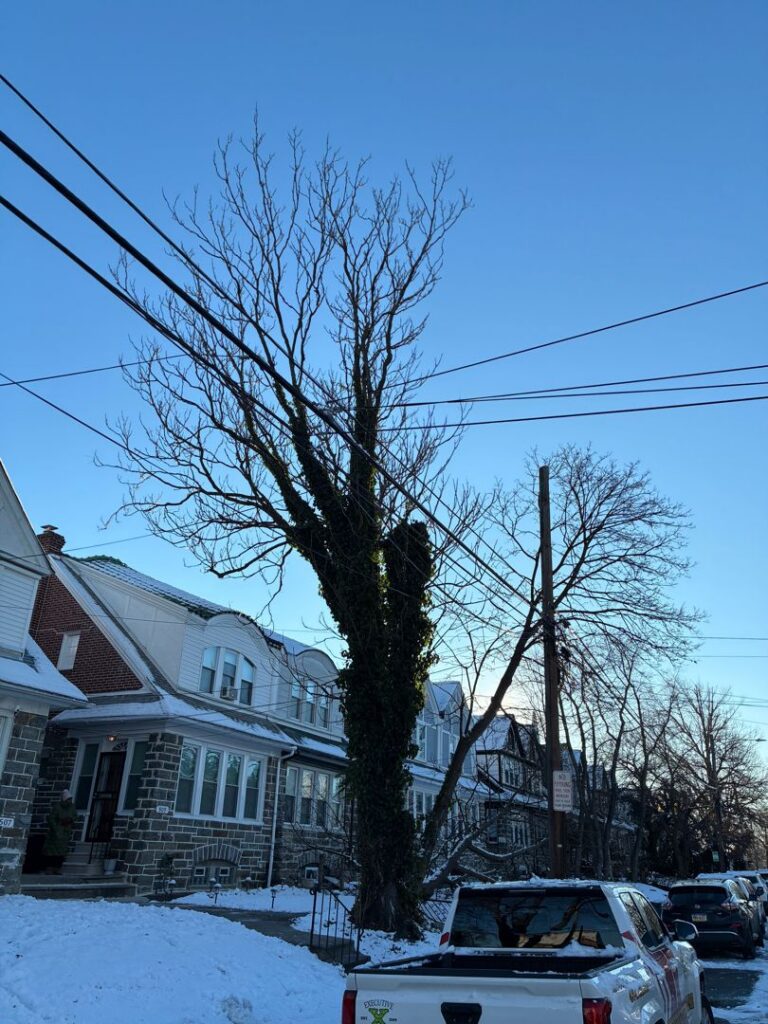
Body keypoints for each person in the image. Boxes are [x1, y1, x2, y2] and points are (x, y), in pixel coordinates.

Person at [42, 788, 76, 874]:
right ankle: (49, 868)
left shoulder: (72, 808)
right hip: (56, 832)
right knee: (52, 852)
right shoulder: (57, 807)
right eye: (68, 799)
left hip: (65, 832)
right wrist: (56, 828)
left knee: (61, 853)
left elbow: (75, 816)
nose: (69, 801)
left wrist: (70, 820)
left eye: (70, 799)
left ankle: (57, 868)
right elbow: (51, 819)